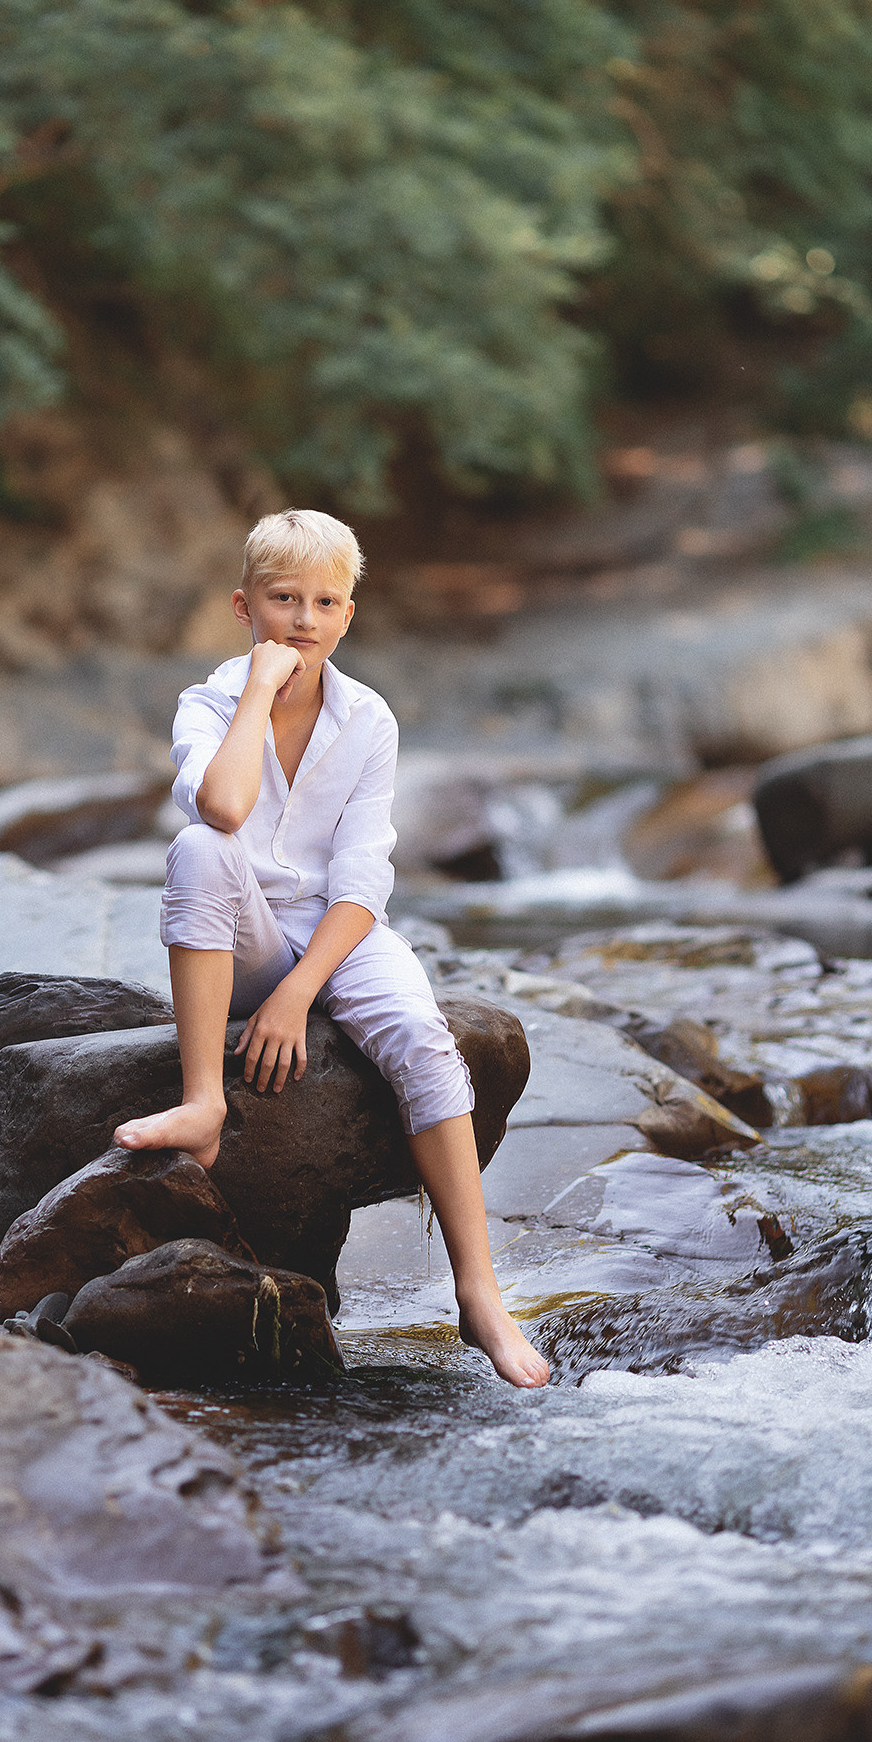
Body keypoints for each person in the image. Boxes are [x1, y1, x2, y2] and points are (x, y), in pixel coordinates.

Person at [114, 509, 549, 1388]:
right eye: (283, 600)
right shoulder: (205, 705)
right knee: (197, 849)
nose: (304, 620)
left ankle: (479, 1294)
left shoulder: (368, 720)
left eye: (324, 602)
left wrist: (298, 995)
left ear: (350, 615)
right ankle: (204, 1103)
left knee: (426, 1043)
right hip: (244, 935)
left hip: (338, 936)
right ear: (246, 608)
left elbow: (363, 884)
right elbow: (225, 811)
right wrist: (254, 699)